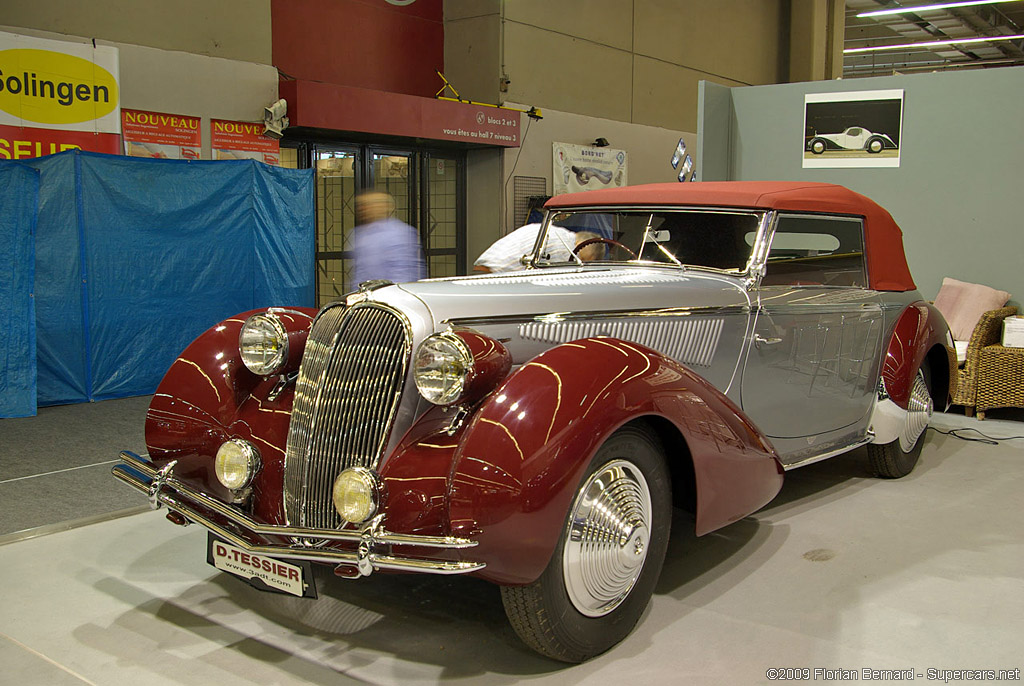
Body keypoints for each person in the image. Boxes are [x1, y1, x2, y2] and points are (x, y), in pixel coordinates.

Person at [351, 191, 427, 288]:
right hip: (365, 296)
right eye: (362, 205)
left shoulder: (400, 233)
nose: (364, 209)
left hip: (392, 296)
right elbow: (359, 273)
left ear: (386, 207)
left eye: (372, 204)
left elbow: (404, 272)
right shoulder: (360, 234)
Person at [473, 223, 602, 273]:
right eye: (582, 259)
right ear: (580, 244)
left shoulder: (557, 232)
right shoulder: (566, 249)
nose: (579, 262)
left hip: (484, 266)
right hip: (498, 276)